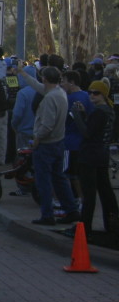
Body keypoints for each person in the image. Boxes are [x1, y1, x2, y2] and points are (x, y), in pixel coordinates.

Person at [18, 66, 81, 226]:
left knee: (43, 181)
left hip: (46, 145)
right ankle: (72, 210)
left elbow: (47, 125)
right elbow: (38, 87)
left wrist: (37, 139)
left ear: (45, 79)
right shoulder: (59, 93)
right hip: (59, 142)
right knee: (59, 178)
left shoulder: (49, 99)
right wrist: (23, 73)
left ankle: (47, 214)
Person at [68, 80, 119, 237]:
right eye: (90, 92)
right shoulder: (108, 110)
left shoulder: (99, 112)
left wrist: (76, 115)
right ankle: (112, 224)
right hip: (102, 154)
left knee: (89, 194)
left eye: (96, 93)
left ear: (103, 94)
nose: (92, 96)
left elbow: (87, 133)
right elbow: (95, 129)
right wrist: (84, 114)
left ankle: (85, 227)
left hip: (90, 155)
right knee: (105, 191)